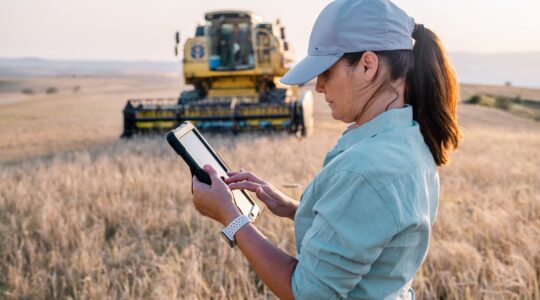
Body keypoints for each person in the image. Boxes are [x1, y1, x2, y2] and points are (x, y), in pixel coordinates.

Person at [191, 0, 460, 299]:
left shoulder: (365, 169)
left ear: (367, 66)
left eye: (326, 72)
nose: (318, 86)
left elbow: (306, 292)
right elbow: (372, 231)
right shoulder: (410, 140)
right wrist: (296, 209)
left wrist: (231, 217)